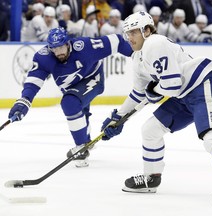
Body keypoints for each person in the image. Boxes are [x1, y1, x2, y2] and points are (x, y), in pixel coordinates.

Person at [100, 11, 212, 205]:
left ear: (147, 30)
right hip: (183, 97)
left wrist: (153, 90)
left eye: (133, 32)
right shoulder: (138, 59)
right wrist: (118, 118)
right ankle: (151, 178)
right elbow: (139, 94)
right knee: (150, 130)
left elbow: (170, 85)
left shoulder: (154, 43)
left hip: (201, 87)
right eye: (127, 33)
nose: (129, 37)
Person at [8, 27, 133, 168]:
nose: (58, 52)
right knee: (78, 112)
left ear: (68, 43)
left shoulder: (85, 47)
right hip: (71, 87)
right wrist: (24, 100)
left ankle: (81, 149)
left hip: (93, 78)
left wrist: (139, 56)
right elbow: (34, 80)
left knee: (70, 102)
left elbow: (117, 41)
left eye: (61, 47)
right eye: (54, 48)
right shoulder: (44, 57)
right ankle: (85, 140)